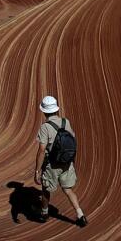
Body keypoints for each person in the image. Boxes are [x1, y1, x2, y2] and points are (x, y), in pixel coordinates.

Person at [34, 95, 87, 227]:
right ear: (56, 110)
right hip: (66, 163)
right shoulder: (65, 122)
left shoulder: (45, 127)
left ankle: (44, 213)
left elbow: (41, 150)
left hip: (52, 164)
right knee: (68, 190)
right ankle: (80, 214)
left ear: (44, 111)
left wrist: (37, 170)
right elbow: (72, 139)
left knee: (45, 189)